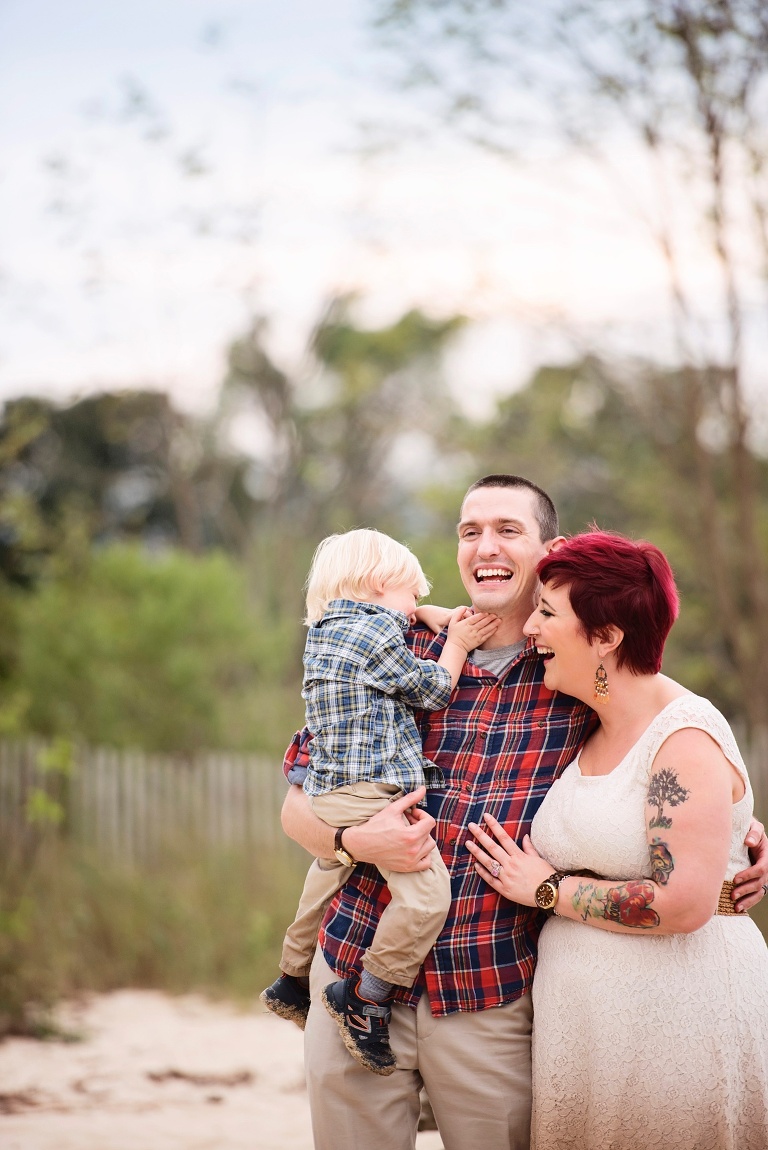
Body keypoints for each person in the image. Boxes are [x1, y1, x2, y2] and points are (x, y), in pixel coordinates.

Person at [279, 476, 768, 1150]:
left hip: (488, 987)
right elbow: (298, 801)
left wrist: (737, 829)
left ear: (549, 549)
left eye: (508, 530)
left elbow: (667, 721)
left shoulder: (572, 678)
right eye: (469, 531)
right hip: (357, 971)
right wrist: (353, 838)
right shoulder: (400, 654)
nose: (486, 546)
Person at [467, 529, 768, 1148]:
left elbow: (683, 902)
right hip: (590, 1025)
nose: (531, 629)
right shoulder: (589, 720)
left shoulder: (682, 739)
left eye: (547, 614)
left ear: (605, 637)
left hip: (676, 1017)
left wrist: (547, 889)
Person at [261, 528, 498, 1075]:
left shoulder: (325, 631)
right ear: (378, 585)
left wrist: (429, 614)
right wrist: (457, 644)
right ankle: (366, 997)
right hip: (376, 794)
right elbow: (433, 688)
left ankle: (291, 976)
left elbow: (395, 619)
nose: (416, 608)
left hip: (330, 792)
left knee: (327, 873)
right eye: (411, 596)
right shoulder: (378, 639)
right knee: (426, 897)